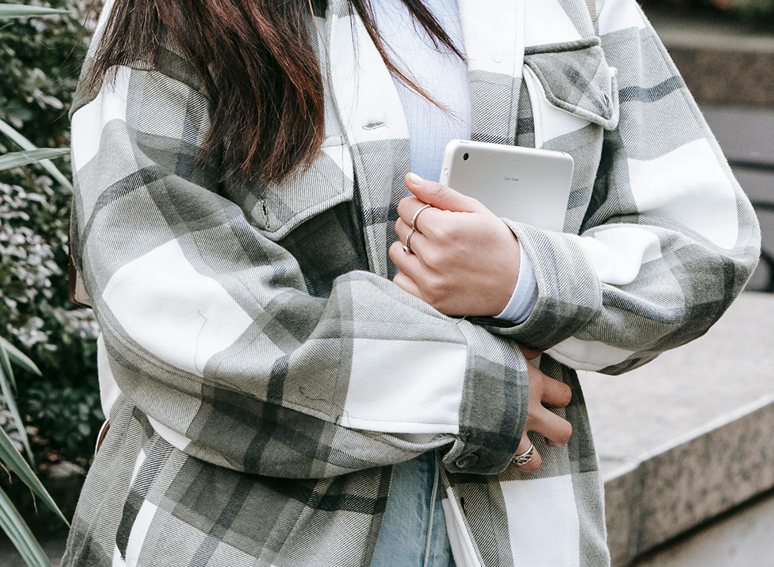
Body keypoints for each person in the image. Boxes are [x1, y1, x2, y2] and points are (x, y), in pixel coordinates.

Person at [62, 0, 760, 565]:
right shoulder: (178, 14)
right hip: (242, 533)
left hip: (514, 528)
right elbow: (155, 290)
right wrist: (470, 387)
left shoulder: (575, 8)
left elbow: (703, 241)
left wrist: (525, 276)